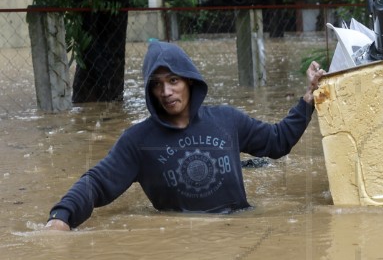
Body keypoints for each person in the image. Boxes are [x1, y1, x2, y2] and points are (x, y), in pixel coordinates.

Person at [45, 40, 326, 231]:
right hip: (181, 244)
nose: (166, 92)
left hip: (240, 229)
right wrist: (61, 218)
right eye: (157, 85)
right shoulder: (138, 142)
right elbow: (96, 183)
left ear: (190, 81)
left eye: (173, 81)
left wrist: (308, 97)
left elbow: (278, 141)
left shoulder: (228, 120)